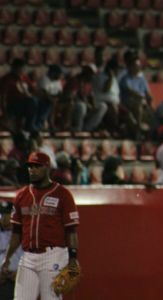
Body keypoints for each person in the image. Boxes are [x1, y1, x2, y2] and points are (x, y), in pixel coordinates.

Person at [0, 152, 80, 299]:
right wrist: (8, 257)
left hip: (53, 254)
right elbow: (17, 232)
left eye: (37, 166)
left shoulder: (62, 194)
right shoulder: (21, 196)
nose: (32, 170)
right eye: (30, 166)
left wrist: (73, 258)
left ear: (47, 168)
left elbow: (71, 230)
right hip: (29, 255)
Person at [119, 52, 154, 139]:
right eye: (136, 65)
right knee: (138, 104)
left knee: (153, 112)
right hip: (128, 103)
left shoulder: (142, 79)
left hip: (142, 102)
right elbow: (131, 92)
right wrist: (142, 98)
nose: (139, 67)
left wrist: (150, 100)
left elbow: (148, 93)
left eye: (139, 65)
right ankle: (138, 128)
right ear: (130, 67)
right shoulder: (125, 78)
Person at [62, 65, 108, 132]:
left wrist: (93, 106)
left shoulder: (89, 83)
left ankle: (88, 128)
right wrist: (86, 104)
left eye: (92, 74)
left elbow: (91, 97)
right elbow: (71, 96)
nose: (91, 76)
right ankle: (78, 127)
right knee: (81, 105)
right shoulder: (75, 80)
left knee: (103, 106)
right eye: (90, 73)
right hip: (72, 105)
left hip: (85, 107)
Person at [0, 59, 38, 132]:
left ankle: (32, 125)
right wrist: (4, 111)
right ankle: (28, 127)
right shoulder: (6, 79)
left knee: (39, 102)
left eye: (23, 69)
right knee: (31, 103)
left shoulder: (25, 77)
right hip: (13, 104)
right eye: (20, 69)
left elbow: (33, 90)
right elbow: (3, 97)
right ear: (14, 68)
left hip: (26, 102)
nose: (22, 71)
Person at [0, 201, 23, 300]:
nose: (4, 218)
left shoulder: (23, 234)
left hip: (20, 279)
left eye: (7, 214)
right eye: (2, 214)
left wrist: (21, 272)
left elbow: (31, 257)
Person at [35, 65, 64, 132]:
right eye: (58, 73)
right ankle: (43, 124)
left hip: (54, 100)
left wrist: (58, 99)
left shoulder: (57, 81)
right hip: (42, 101)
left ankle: (63, 126)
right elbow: (44, 94)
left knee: (69, 103)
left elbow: (60, 93)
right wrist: (53, 100)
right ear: (52, 73)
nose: (60, 76)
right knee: (49, 102)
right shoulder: (44, 79)